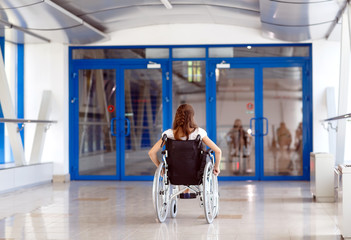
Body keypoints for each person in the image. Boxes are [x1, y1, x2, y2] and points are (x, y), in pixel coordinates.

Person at [148, 104, 222, 177]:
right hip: (195, 172)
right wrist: (216, 166)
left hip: (174, 173)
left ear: (177, 117)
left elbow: (151, 153)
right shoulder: (198, 133)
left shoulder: (168, 134)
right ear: (192, 117)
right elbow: (218, 151)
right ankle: (186, 188)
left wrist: (161, 168)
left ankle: (184, 188)